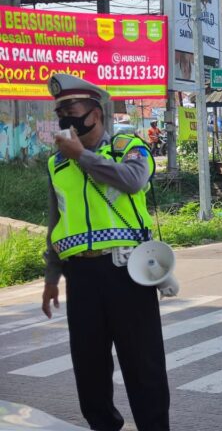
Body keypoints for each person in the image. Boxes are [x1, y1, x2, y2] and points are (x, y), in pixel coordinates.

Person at [41, 74, 170, 431]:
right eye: (60, 110)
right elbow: (56, 223)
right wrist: (52, 277)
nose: (65, 116)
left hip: (126, 272)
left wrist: (82, 155)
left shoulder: (130, 147)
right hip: (80, 278)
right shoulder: (57, 164)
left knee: (143, 368)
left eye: (72, 108)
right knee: (90, 370)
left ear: (95, 113)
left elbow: (132, 180)